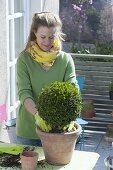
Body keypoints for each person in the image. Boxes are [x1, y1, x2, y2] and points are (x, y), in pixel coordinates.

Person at [16, 12, 77, 146]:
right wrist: (38, 116)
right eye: (43, 37)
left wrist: (70, 116)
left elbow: (72, 90)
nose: (47, 42)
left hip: (58, 131)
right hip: (28, 132)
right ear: (35, 33)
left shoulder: (65, 60)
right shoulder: (24, 60)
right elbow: (24, 93)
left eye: (51, 37)